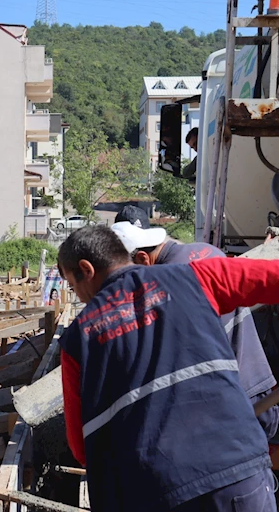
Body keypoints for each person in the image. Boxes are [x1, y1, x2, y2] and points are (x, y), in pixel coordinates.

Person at [58, 226, 279, 512]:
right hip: (234, 473)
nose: (80, 297)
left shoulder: (77, 340)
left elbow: (80, 448)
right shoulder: (196, 276)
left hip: (148, 492)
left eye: (73, 287)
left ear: (86, 269)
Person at [111, 206, 279, 440]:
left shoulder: (169, 283)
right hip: (258, 388)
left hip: (231, 410)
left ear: (142, 259)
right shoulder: (207, 251)